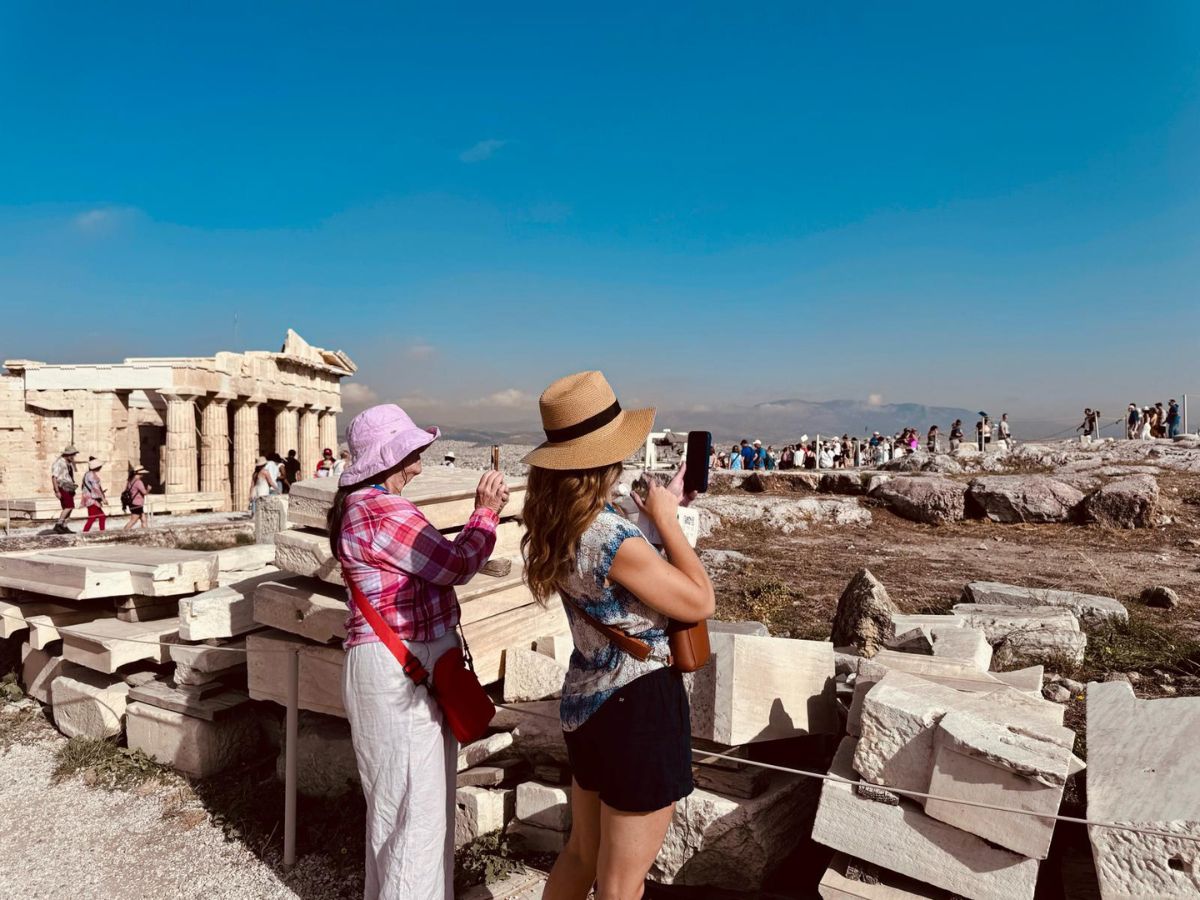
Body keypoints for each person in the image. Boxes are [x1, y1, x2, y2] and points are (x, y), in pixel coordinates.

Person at [519, 371, 713, 900]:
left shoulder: (557, 524)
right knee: (623, 882)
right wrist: (668, 522)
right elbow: (700, 601)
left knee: (582, 853)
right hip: (639, 709)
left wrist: (653, 516)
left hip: (586, 704)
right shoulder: (611, 536)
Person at [327, 404, 507, 900]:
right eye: (410, 454)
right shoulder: (383, 509)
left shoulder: (355, 506)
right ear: (387, 459)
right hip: (402, 670)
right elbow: (453, 564)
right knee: (419, 821)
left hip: (388, 666)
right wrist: (485, 514)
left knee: (395, 815)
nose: (418, 466)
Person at [49, 445, 80, 534]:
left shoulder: (68, 463)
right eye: (73, 455)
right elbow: (54, 477)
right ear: (68, 454)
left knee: (69, 507)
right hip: (62, 487)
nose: (74, 457)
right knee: (68, 506)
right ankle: (58, 525)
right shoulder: (59, 463)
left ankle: (64, 526)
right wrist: (57, 491)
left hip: (69, 487)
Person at [81, 459, 107, 533]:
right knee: (92, 518)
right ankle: (85, 532)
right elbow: (96, 488)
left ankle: (102, 532)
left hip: (90, 498)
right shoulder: (91, 475)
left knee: (101, 517)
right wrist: (103, 498)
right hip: (91, 500)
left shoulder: (88, 474)